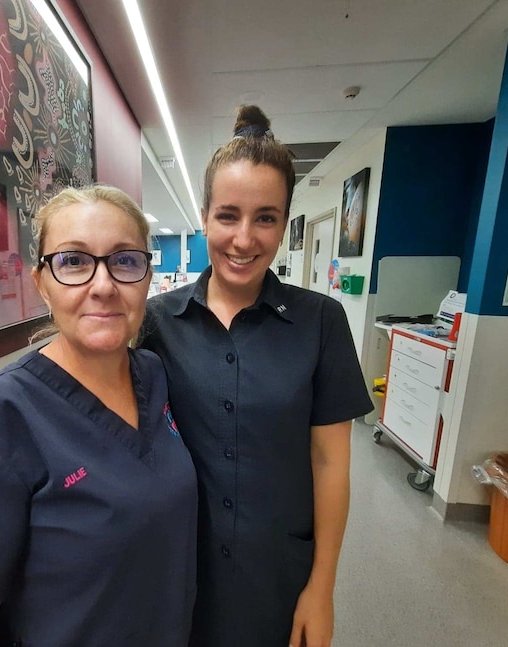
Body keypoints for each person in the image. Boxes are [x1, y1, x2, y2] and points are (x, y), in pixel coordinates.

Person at [0, 186, 198, 646]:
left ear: (145, 277)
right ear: (40, 282)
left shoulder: (155, 376)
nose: (103, 285)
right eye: (74, 261)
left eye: (125, 260)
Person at [139, 106, 374, 647]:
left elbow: (330, 462)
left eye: (265, 218)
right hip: (178, 573)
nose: (244, 239)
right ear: (204, 217)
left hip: (278, 572)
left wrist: (322, 587)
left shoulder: (321, 322)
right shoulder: (156, 322)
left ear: (285, 222)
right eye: (228, 215)